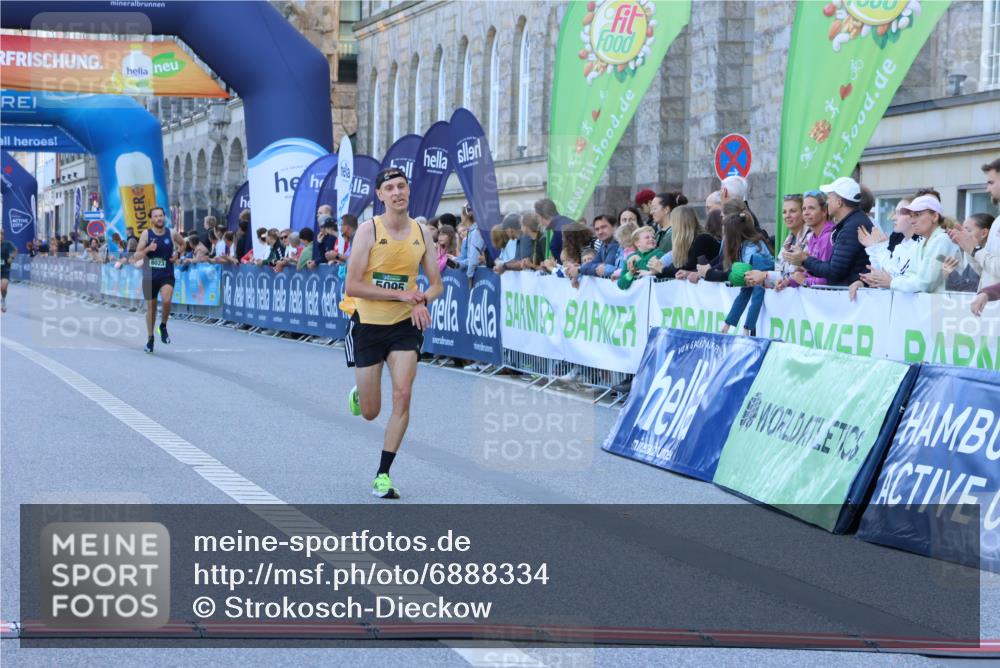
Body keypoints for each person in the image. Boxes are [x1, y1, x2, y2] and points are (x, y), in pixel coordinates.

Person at [343, 168, 443, 499]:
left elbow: (437, 284)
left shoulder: (422, 232)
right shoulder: (368, 230)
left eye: (402, 186)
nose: (397, 192)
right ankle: (360, 392)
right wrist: (401, 294)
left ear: (408, 192)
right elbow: (353, 284)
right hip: (369, 324)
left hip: (404, 326)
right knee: (371, 412)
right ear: (380, 195)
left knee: (403, 394)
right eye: (390, 188)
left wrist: (420, 300)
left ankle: (383, 474)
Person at [859, 195, 961, 294]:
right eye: (911, 216)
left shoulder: (942, 240)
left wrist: (891, 282)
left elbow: (926, 283)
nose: (912, 221)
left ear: (935, 216)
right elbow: (909, 276)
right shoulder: (922, 242)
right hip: (934, 306)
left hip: (946, 306)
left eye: (917, 215)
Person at [782, 176, 872, 286]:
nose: (827, 202)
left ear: (839, 202)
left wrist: (805, 260)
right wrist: (796, 276)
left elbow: (834, 272)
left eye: (829, 198)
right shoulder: (850, 223)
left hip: (849, 297)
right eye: (804, 209)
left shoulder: (851, 227)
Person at [133, 207, 185, 353]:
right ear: (151, 219)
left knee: (167, 300)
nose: (159, 218)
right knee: (152, 310)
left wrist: (177, 255)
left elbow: (183, 244)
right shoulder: (146, 234)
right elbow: (137, 256)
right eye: (156, 216)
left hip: (166, 274)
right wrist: (148, 249)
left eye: (161, 216)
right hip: (150, 277)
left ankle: (163, 325)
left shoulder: (172, 233)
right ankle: (150, 338)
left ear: (164, 217)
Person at [949, 158, 1000, 290]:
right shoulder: (997, 222)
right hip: (990, 306)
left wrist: (975, 249)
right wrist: (968, 246)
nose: (987, 189)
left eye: (991, 182)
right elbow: (985, 272)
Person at [776, 192, 834, 290]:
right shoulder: (812, 237)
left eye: (811, 208)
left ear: (824, 211)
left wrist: (804, 281)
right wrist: (788, 282)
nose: (806, 213)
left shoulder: (828, 237)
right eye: (804, 209)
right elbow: (809, 273)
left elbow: (826, 279)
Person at [651, 206, 720, 279]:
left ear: (678, 224)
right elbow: (678, 268)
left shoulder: (702, 239)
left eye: (672, 222)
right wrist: (657, 271)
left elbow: (686, 270)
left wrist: (661, 269)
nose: (671, 227)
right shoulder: (689, 241)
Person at [944, 213, 994, 292]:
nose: (963, 234)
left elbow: (971, 290)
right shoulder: (972, 257)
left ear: (984, 233)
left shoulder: (990, 259)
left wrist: (950, 274)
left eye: (967, 230)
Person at [576, 214, 620, 279]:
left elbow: (606, 267)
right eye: (597, 229)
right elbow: (593, 263)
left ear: (614, 227)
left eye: (604, 227)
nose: (600, 232)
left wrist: (579, 270)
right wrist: (580, 269)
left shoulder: (617, 244)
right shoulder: (603, 245)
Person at [1, 229, 16, 313]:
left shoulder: (7, 244)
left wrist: (11, 258)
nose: (0, 236)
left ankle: (3, 300)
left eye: (2, 234)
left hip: (5, 269)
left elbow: (15, 250)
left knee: (3, 287)